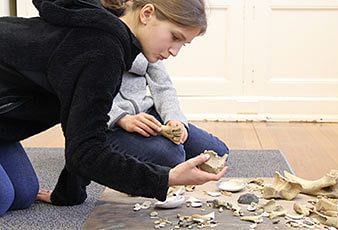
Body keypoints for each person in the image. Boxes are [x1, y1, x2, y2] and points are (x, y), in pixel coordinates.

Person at [0, 0, 227, 216]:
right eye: (174, 37)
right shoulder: (101, 49)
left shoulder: (108, 39)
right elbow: (86, 152)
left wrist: (68, 193)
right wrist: (166, 178)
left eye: (183, 44)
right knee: (3, 198)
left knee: (22, 197)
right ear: (147, 13)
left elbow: (80, 128)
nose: (175, 51)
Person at [107, 52, 229, 168]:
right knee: (173, 158)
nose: (173, 52)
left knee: (218, 153)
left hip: (146, 114)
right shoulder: (98, 38)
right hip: (109, 123)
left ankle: (162, 168)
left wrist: (174, 118)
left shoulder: (145, 40)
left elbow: (163, 87)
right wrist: (121, 118)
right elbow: (89, 94)